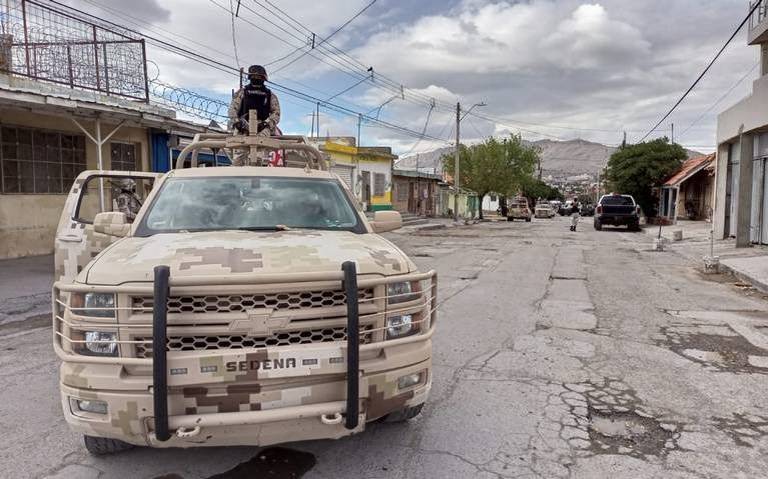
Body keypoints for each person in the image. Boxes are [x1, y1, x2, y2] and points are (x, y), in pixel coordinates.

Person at [228, 65, 281, 166]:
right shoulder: (242, 92)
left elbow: (276, 113)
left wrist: (266, 124)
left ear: (263, 79)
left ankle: (255, 181)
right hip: (242, 128)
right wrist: (237, 122)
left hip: (262, 128)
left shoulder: (270, 95)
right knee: (238, 161)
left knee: (257, 161)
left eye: (259, 78)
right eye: (254, 77)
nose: (257, 79)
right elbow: (232, 110)